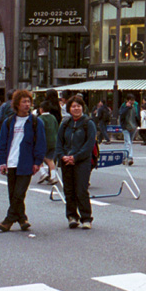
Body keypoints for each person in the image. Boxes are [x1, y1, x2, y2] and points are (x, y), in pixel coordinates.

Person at [0, 90, 45, 232]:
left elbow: (41, 143)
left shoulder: (36, 122)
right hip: (11, 162)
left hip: (26, 162)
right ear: (16, 104)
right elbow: (2, 143)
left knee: (19, 193)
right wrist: (2, 161)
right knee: (13, 194)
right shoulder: (9, 122)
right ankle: (22, 218)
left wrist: (38, 161)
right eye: (24, 101)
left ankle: (8, 220)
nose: (27, 104)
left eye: (28, 101)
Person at [56, 95, 97, 230]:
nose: (76, 108)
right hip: (66, 161)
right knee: (69, 190)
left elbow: (89, 144)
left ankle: (86, 218)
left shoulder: (88, 123)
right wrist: (62, 156)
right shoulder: (65, 123)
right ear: (69, 109)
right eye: (73, 106)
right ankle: (72, 216)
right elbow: (59, 143)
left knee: (81, 189)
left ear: (82, 108)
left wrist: (75, 157)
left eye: (78, 106)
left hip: (82, 162)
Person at [36, 101, 59, 185]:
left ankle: (43, 173)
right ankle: (53, 177)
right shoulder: (53, 117)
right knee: (50, 160)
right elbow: (57, 128)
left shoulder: (40, 119)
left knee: (39, 157)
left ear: (41, 109)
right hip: (54, 141)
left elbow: (39, 131)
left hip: (44, 142)